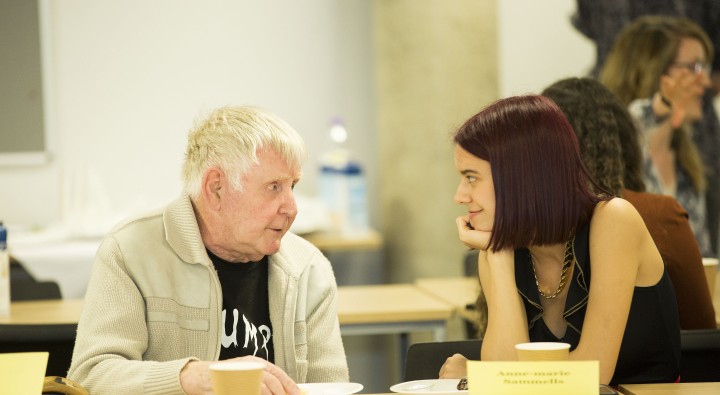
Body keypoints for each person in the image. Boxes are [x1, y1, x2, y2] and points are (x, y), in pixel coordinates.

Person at [68, 106, 349, 394]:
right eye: (274, 187)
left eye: (293, 186)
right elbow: (91, 376)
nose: (291, 208)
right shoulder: (129, 251)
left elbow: (330, 387)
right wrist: (189, 377)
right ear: (216, 188)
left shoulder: (308, 268)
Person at [440, 95, 681, 385]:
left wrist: (480, 375)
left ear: (519, 176)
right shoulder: (495, 250)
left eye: (471, 178)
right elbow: (505, 385)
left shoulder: (614, 220)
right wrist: (498, 254)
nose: (459, 196)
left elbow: (594, 376)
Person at [542, 77, 716, 329]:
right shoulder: (657, 215)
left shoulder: (532, 226)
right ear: (625, 144)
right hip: (649, 368)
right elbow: (702, 329)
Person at [573, 1, 720, 256]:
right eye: (695, 67)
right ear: (654, 70)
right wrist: (662, 104)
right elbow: (630, 122)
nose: (706, 81)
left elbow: (702, 257)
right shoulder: (612, 151)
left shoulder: (689, 160)